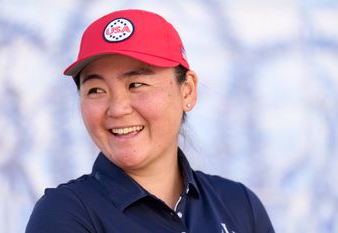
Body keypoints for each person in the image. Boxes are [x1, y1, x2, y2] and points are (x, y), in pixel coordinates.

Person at [26, 9, 275, 233]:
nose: (117, 109)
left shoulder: (239, 205)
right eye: (96, 90)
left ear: (187, 90)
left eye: (136, 85)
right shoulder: (66, 213)